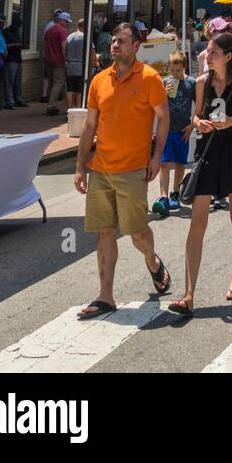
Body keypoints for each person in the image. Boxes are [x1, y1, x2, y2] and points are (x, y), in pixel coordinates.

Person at [73, 22, 172, 319]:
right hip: (100, 169)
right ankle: (106, 296)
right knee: (104, 232)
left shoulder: (150, 78)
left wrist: (156, 156)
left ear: (136, 46)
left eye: (122, 41)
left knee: (137, 234)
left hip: (132, 170)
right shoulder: (99, 80)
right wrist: (80, 167)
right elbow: (89, 125)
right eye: (114, 41)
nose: (115, 45)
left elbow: (164, 119)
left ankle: (152, 261)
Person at [168, 31, 232, 314]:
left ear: (228, 56)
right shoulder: (201, 82)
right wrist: (200, 123)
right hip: (207, 152)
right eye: (208, 52)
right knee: (197, 223)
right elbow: (196, 115)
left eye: (213, 53)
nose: (208, 56)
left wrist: (231, 121)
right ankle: (188, 294)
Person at [158, 51, 195, 210]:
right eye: (172, 71)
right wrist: (163, 94)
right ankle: (163, 196)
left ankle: (175, 192)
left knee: (180, 163)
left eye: (178, 71)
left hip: (183, 130)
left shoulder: (191, 83)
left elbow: (199, 106)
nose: (175, 74)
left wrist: (192, 125)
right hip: (167, 130)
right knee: (164, 163)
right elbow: (157, 105)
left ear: (184, 67)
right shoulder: (165, 81)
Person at [42, 10, 69, 115]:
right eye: (66, 21)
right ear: (62, 20)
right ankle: (51, 105)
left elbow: (44, 45)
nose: (67, 24)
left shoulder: (49, 30)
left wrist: (46, 57)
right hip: (58, 61)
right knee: (58, 82)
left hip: (48, 60)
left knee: (51, 82)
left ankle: (50, 103)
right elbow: (63, 47)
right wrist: (65, 59)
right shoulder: (61, 31)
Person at [66, 19, 93, 111]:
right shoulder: (85, 37)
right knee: (78, 90)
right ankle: (78, 109)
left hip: (70, 65)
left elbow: (65, 50)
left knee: (70, 89)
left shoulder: (69, 36)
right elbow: (92, 52)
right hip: (80, 65)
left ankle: (69, 109)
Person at [2, 16, 26, 109]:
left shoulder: (17, 32)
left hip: (18, 59)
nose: (19, 27)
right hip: (10, 60)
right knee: (9, 81)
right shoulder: (6, 32)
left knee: (17, 81)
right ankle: (9, 101)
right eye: (18, 25)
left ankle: (18, 98)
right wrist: (15, 45)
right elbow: (1, 45)